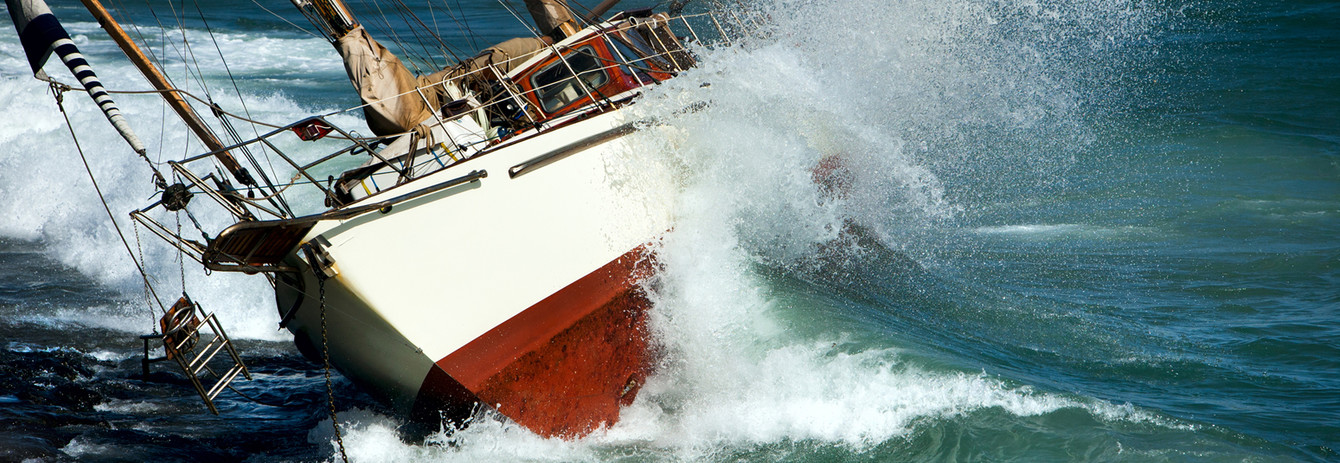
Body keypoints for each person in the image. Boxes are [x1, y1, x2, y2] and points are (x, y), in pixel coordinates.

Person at [300, 0, 579, 137]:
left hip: (439, 93)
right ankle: (561, 40)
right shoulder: (409, 113)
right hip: (429, 107)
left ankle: (561, 40)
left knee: (513, 54)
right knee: (520, 53)